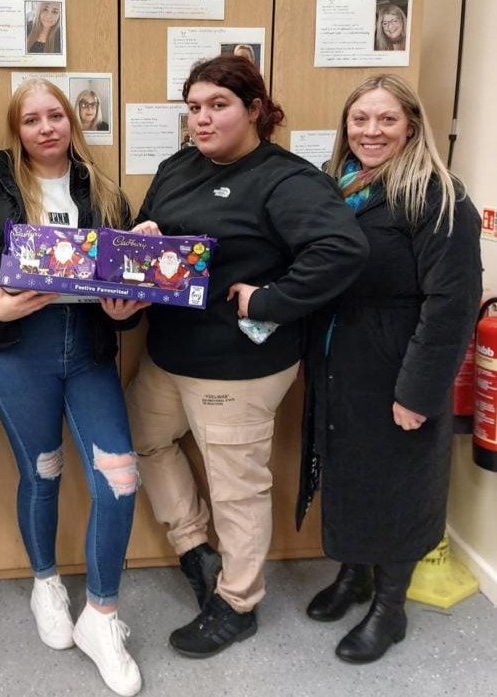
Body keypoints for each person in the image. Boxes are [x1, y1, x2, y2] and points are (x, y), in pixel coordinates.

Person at [122, 54, 369, 659]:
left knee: (238, 490)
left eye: (218, 106)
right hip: (169, 352)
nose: (201, 120)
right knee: (142, 437)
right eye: (193, 109)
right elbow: (154, 235)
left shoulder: (285, 179)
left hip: (237, 370)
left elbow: (343, 248)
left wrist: (271, 299)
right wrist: (145, 238)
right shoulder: (178, 165)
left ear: (254, 109)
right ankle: (196, 550)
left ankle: (238, 602)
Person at [0, 78, 147, 697]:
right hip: (20, 354)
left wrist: (127, 311)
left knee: (119, 476)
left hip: (89, 351)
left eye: (55, 115)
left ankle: (102, 616)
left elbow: (130, 285)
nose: (46, 128)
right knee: (41, 471)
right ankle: (45, 583)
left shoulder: (107, 192)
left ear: (72, 122)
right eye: (32, 118)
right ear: (18, 129)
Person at [298, 74, 482, 664]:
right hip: (341, 358)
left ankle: (391, 605)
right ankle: (355, 575)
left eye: (386, 120)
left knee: (401, 481)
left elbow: (452, 305)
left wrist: (420, 390)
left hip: (400, 361)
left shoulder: (438, 195)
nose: (370, 131)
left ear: (411, 125)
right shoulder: (337, 187)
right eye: (360, 120)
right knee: (351, 472)